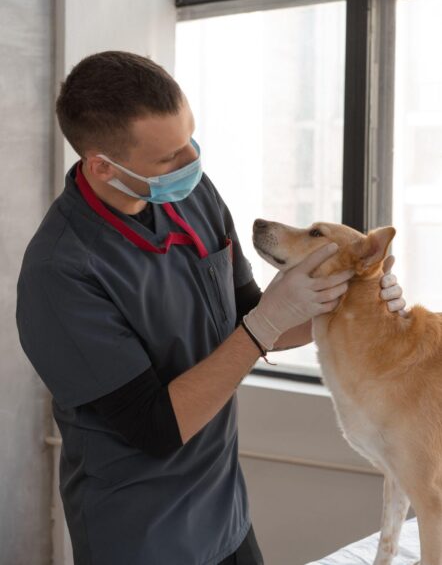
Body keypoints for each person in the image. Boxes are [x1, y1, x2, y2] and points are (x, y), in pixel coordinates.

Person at [15, 51, 406, 565]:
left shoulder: (193, 197)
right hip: (141, 534)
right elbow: (156, 427)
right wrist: (265, 322)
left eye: (190, 142)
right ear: (102, 166)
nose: (190, 165)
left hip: (224, 513)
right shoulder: (61, 273)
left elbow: (247, 316)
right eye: (168, 159)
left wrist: (350, 304)